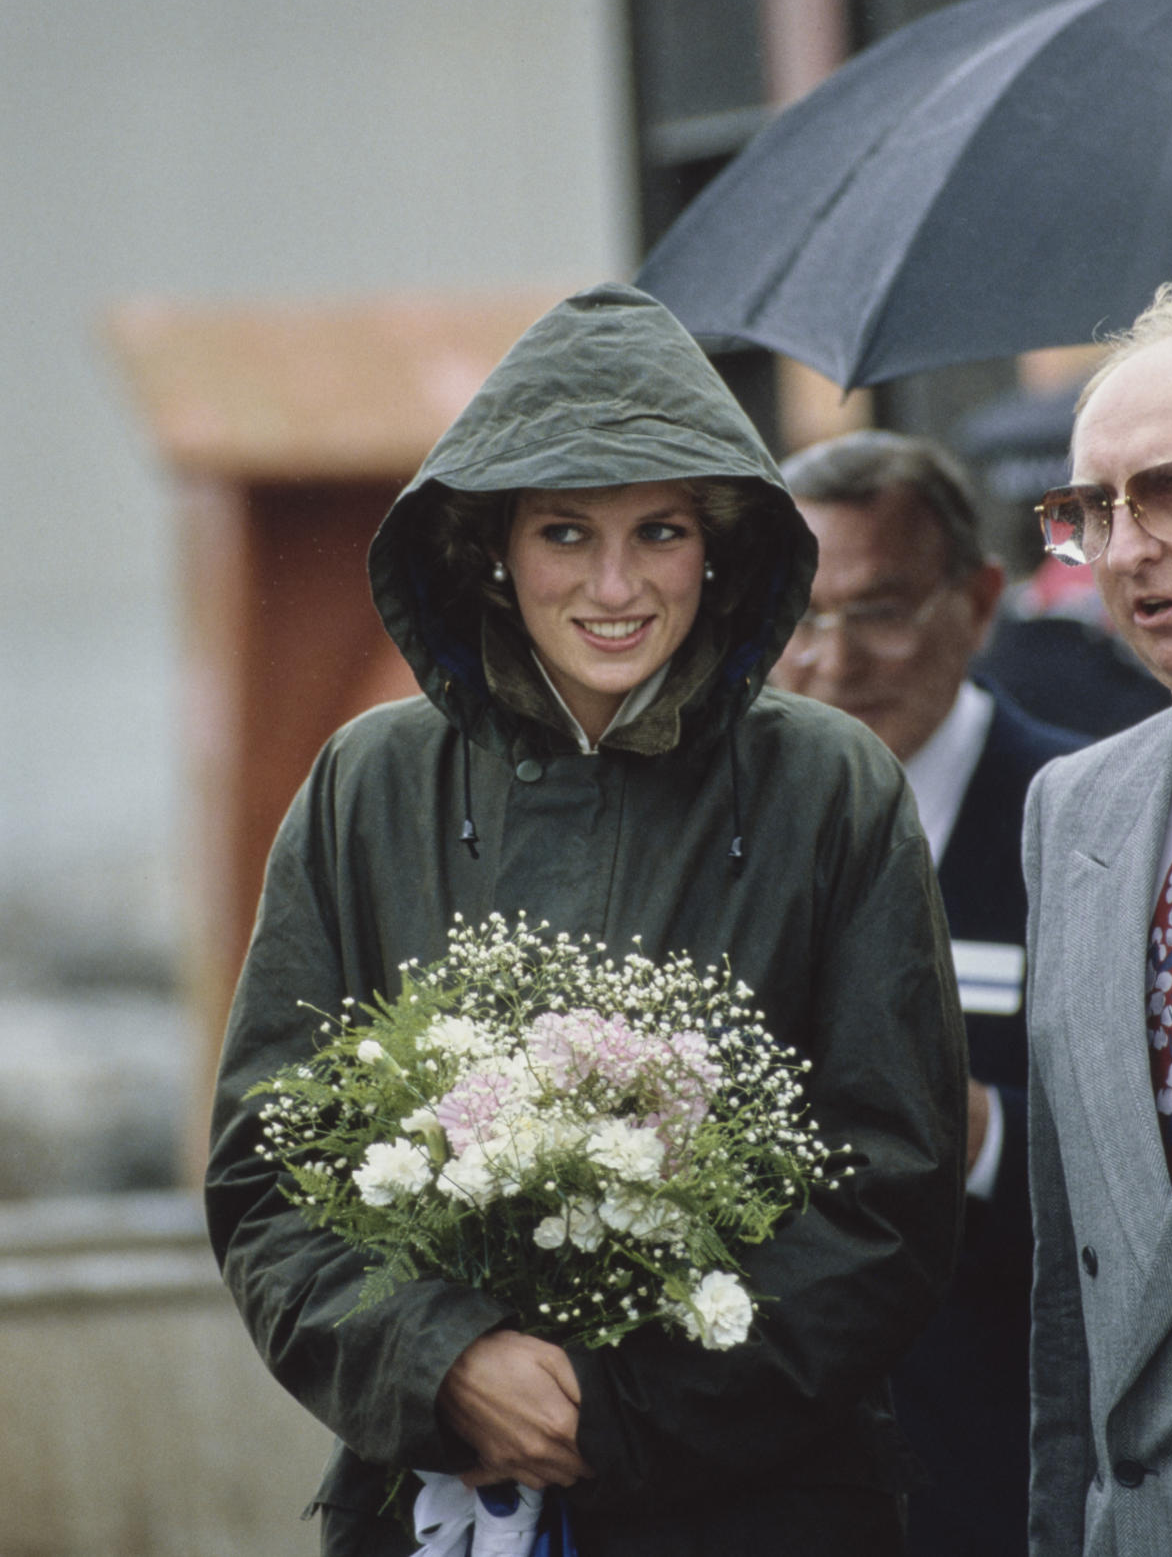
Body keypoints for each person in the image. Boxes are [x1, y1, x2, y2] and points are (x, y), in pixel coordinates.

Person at [205, 283, 967, 1557]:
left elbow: (890, 1186)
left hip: (762, 1507)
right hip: (428, 1498)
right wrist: (446, 1364)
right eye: (565, 531)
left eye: (658, 529)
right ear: (491, 547)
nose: (614, 585)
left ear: (718, 545)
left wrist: (612, 1413)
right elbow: (269, 1171)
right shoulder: (368, 781)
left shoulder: (832, 783)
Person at [769, 429, 1085, 1557]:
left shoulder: (1092, 819)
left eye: (882, 609)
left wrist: (986, 1132)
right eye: (797, 617)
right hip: (764, 1477)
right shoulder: (722, 828)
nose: (834, 661)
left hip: (1012, 1471)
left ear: (981, 599)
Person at [1024, 276, 1172, 1554]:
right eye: (1086, 511)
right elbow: (1074, 1293)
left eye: (1170, 489)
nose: (1121, 548)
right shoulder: (1076, 810)